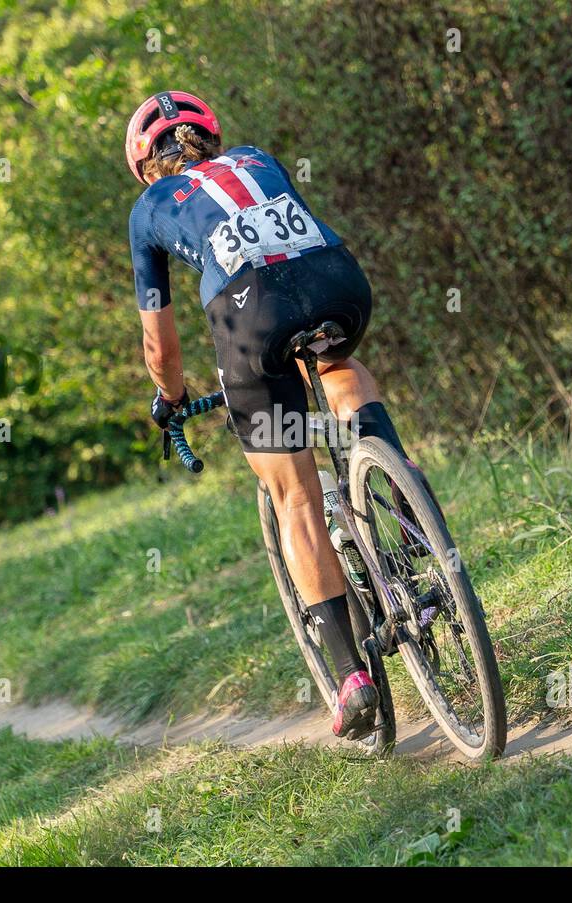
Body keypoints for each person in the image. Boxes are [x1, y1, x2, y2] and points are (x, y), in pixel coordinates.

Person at [126, 90, 416, 738]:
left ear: (147, 165)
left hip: (250, 313)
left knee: (295, 499)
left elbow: (160, 344)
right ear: (211, 136)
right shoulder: (255, 158)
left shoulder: (149, 207)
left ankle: (351, 680)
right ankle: (404, 500)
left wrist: (170, 397)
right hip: (336, 281)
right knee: (335, 366)